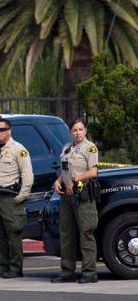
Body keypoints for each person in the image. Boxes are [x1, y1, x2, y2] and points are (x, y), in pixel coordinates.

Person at [0, 117, 33, 279]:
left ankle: (15, 268)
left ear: (9, 131)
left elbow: (27, 175)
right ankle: (2, 266)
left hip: (9, 198)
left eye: (2, 130)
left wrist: (21, 196)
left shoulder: (18, 149)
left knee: (13, 234)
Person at [51, 119, 99, 284]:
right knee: (67, 235)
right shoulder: (66, 147)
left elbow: (93, 172)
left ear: (85, 131)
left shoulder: (89, 147)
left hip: (82, 194)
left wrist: (74, 179)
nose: (77, 133)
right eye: (74, 130)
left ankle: (89, 273)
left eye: (80, 129)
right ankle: (67, 272)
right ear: (70, 132)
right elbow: (65, 170)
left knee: (86, 233)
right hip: (67, 196)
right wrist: (58, 181)